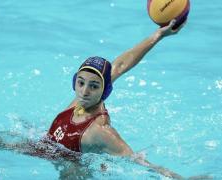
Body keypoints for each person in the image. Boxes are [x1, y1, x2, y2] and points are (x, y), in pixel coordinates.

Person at [46, 19, 187, 179]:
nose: (84, 91)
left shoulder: (100, 131)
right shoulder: (81, 102)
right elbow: (120, 65)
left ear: (104, 89)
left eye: (93, 86)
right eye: (81, 83)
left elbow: (138, 162)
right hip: (43, 151)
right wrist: (159, 34)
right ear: (75, 82)